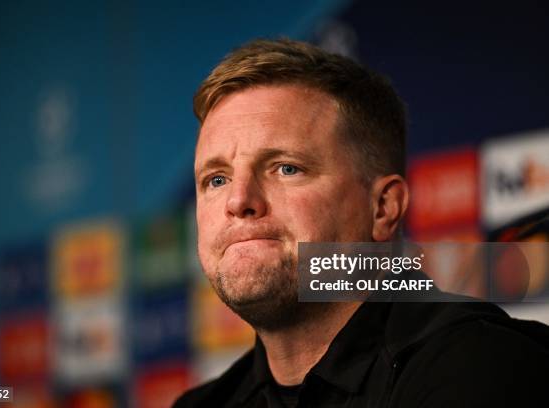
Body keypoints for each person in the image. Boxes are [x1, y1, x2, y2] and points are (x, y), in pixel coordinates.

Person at [174, 38, 549, 407]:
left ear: (383, 207)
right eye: (216, 180)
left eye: (286, 168)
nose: (239, 201)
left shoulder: (479, 366)